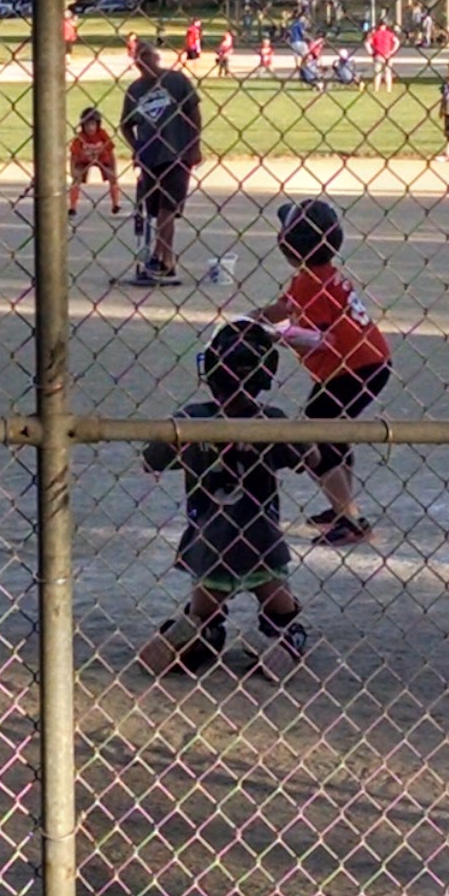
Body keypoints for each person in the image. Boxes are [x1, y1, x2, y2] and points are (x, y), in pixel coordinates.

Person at [135, 319, 313, 683]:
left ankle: (202, 631)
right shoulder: (271, 421)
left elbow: (150, 460)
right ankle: (284, 633)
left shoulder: (189, 419)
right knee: (280, 606)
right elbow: (310, 459)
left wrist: (192, 450)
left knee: (205, 608)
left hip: (207, 541)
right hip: (261, 539)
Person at [254, 199, 390, 547]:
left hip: (354, 368)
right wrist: (253, 318)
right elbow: (285, 307)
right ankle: (343, 506)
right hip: (366, 363)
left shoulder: (310, 283)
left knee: (315, 436)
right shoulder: (317, 276)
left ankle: (350, 520)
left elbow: (320, 340)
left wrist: (276, 336)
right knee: (331, 432)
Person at [119, 39, 202, 286]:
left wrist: (194, 145)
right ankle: (167, 262)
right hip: (150, 156)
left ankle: (157, 256)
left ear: (157, 58)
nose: (145, 61)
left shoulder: (176, 81)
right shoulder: (135, 90)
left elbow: (194, 112)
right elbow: (126, 125)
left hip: (177, 152)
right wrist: (137, 148)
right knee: (157, 211)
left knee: (169, 207)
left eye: (149, 56)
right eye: (140, 57)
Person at [68, 106, 121, 217]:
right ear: (82, 125)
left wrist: (114, 170)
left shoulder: (102, 134)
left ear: (98, 124)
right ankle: (72, 207)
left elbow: (111, 152)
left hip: (102, 159)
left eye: (92, 124)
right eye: (87, 125)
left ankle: (116, 204)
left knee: (113, 179)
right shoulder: (80, 137)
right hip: (84, 161)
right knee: (76, 180)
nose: (90, 128)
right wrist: (73, 171)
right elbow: (74, 155)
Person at [367, 18, 399, 94]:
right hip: (388, 55)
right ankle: (388, 89)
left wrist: (371, 52)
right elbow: (397, 42)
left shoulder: (375, 34)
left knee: (377, 73)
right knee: (388, 72)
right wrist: (392, 51)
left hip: (378, 55)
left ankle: (376, 89)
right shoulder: (389, 34)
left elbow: (367, 43)